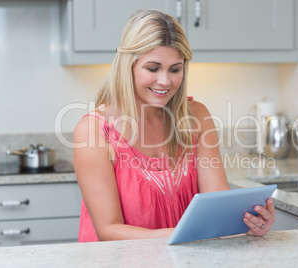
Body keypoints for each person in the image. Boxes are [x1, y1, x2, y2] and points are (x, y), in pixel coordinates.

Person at [73, 8, 275, 242]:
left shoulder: (197, 117)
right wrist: (187, 234)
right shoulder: (94, 131)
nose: (165, 81)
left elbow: (216, 207)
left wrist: (249, 224)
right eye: (153, 68)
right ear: (128, 66)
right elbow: (108, 230)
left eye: (175, 69)